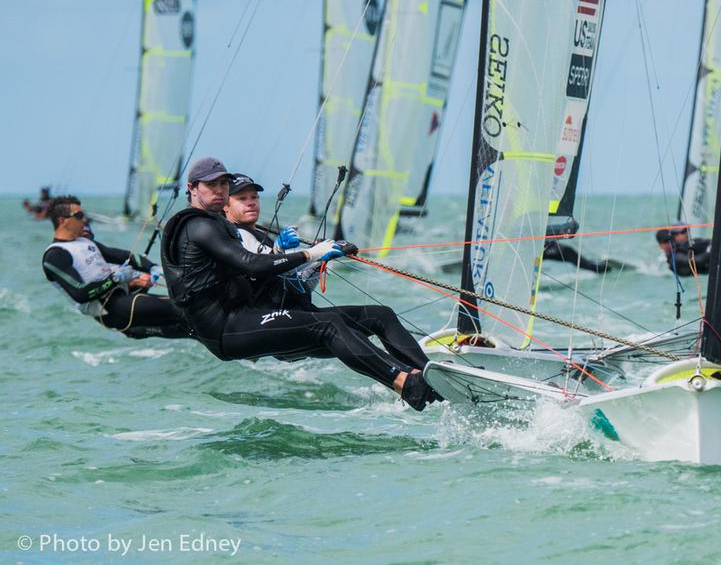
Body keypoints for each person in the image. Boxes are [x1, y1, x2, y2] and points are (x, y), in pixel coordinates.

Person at [160, 157, 440, 410]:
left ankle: (429, 378)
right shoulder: (200, 226)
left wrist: (315, 261)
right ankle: (405, 382)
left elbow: (269, 276)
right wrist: (308, 253)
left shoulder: (222, 227)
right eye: (212, 185)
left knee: (377, 316)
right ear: (192, 188)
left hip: (250, 317)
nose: (219, 189)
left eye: (223, 183)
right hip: (227, 329)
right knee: (329, 325)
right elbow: (253, 265)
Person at [223, 173, 433, 374]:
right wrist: (298, 253)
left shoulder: (260, 236)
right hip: (278, 326)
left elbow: (297, 284)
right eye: (242, 198)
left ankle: (425, 371)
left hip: (302, 316)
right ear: (225, 205)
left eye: (254, 197)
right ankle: (408, 375)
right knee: (344, 326)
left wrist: (322, 260)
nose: (251, 202)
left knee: (381, 315)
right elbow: (263, 268)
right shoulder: (234, 239)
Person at [41, 196, 192, 339]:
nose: (85, 219)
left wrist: (153, 268)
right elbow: (80, 293)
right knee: (183, 310)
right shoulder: (54, 256)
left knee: (188, 324)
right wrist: (115, 278)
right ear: (63, 221)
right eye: (79, 215)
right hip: (109, 309)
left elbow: (123, 256)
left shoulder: (84, 242)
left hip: (122, 297)